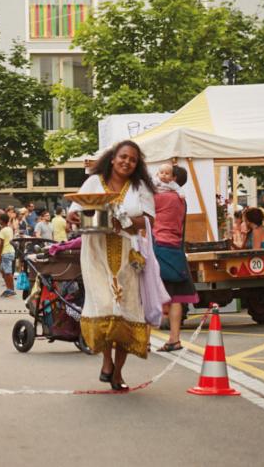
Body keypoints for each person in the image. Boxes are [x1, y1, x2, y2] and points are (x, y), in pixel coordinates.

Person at [67, 140, 156, 391]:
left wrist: (124, 223)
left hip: (128, 254)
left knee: (125, 311)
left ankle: (117, 372)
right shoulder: (94, 182)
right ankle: (106, 361)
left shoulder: (140, 188)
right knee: (105, 305)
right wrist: (71, 216)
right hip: (95, 253)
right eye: (123, 157)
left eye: (133, 160)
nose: (127, 162)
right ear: (113, 157)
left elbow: (149, 220)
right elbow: (76, 210)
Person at [153, 165, 197, 353]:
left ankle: (144, 341)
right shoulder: (181, 199)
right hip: (176, 249)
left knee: (149, 294)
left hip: (159, 248)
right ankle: (174, 339)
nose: (161, 176)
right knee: (176, 297)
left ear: (172, 178)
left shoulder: (159, 197)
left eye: (165, 174)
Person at [0, 213, 16, 298]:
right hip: (11, 251)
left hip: (6, 252)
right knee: (3, 269)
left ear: (1, 221)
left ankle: (11, 290)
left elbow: (1, 244)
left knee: (7, 272)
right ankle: (9, 288)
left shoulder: (2, 230)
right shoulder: (10, 229)